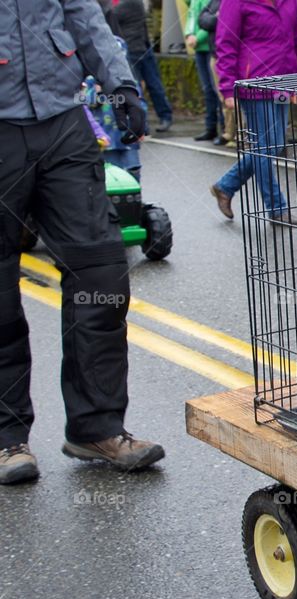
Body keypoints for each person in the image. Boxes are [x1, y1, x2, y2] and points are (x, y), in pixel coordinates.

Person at [0, 0, 164, 485]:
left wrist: (122, 85)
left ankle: (96, 428)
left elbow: (84, 16)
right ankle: (7, 437)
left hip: (62, 124)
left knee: (102, 274)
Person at [209, 0, 297, 221]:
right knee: (269, 145)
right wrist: (227, 89)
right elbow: (226, 43)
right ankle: (277, 208)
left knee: (271, 145)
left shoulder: (290, 2)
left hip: (283, 83)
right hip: (254, 83)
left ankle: (225, 186)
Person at [106, 0, 174, 132]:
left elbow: (109, 15)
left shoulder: (129, 3)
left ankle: (150, 121)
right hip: (142, 48)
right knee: (152, 85)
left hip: (134, 50)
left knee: (140, 88)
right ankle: (163, 117)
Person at [185, 0, 224, 143]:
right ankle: (210, 127)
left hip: (209, 46)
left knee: (216, 90)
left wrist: (197, 37)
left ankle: (223, 128)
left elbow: (213, 19)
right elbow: (194, 16)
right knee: (207, 89)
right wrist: (189, 34)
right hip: (198, 48)